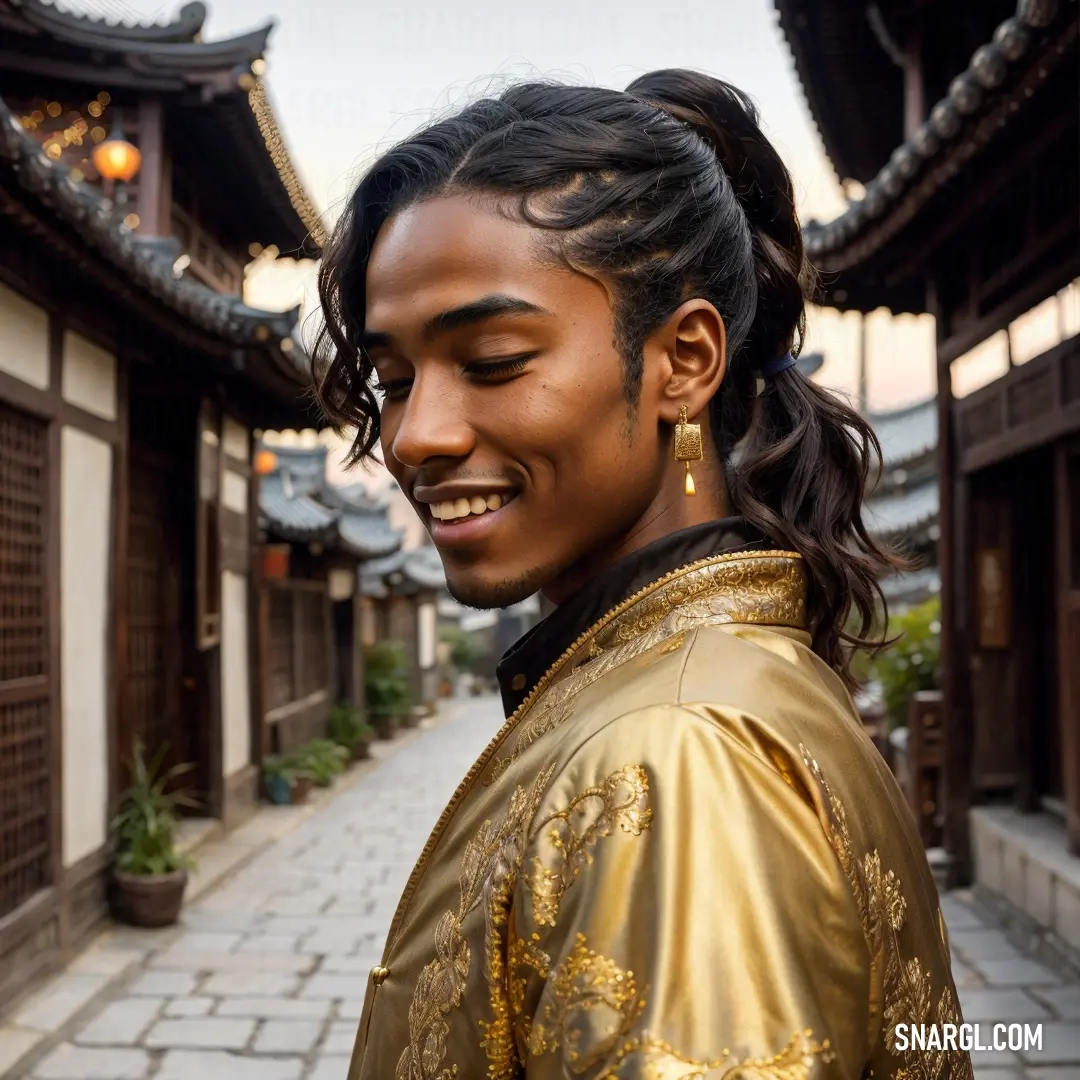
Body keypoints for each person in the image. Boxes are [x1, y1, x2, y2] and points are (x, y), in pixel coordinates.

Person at [314, 69, 972, 1080]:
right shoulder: (708, 682)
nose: (415, 436)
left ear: (685, 360)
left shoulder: (673, 754)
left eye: (491, 360)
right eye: (394, 380)